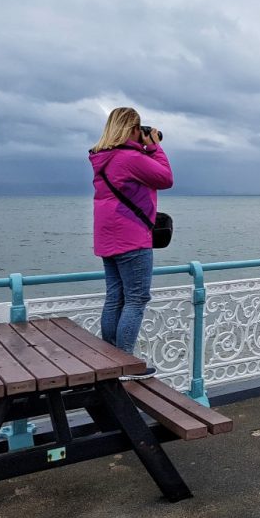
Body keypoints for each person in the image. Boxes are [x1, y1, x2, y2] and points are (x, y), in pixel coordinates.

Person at [89, 107, 173, 380]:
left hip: (107, 236)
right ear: (132, 129)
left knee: (116, 296)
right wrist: (156, 147)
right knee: (136, 299)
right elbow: (165, 179)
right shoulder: (129, 158)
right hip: (131, 236)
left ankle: (110, 359)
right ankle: (125, 363)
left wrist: (144, 149)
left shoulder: (103, 157)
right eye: (139, 129)